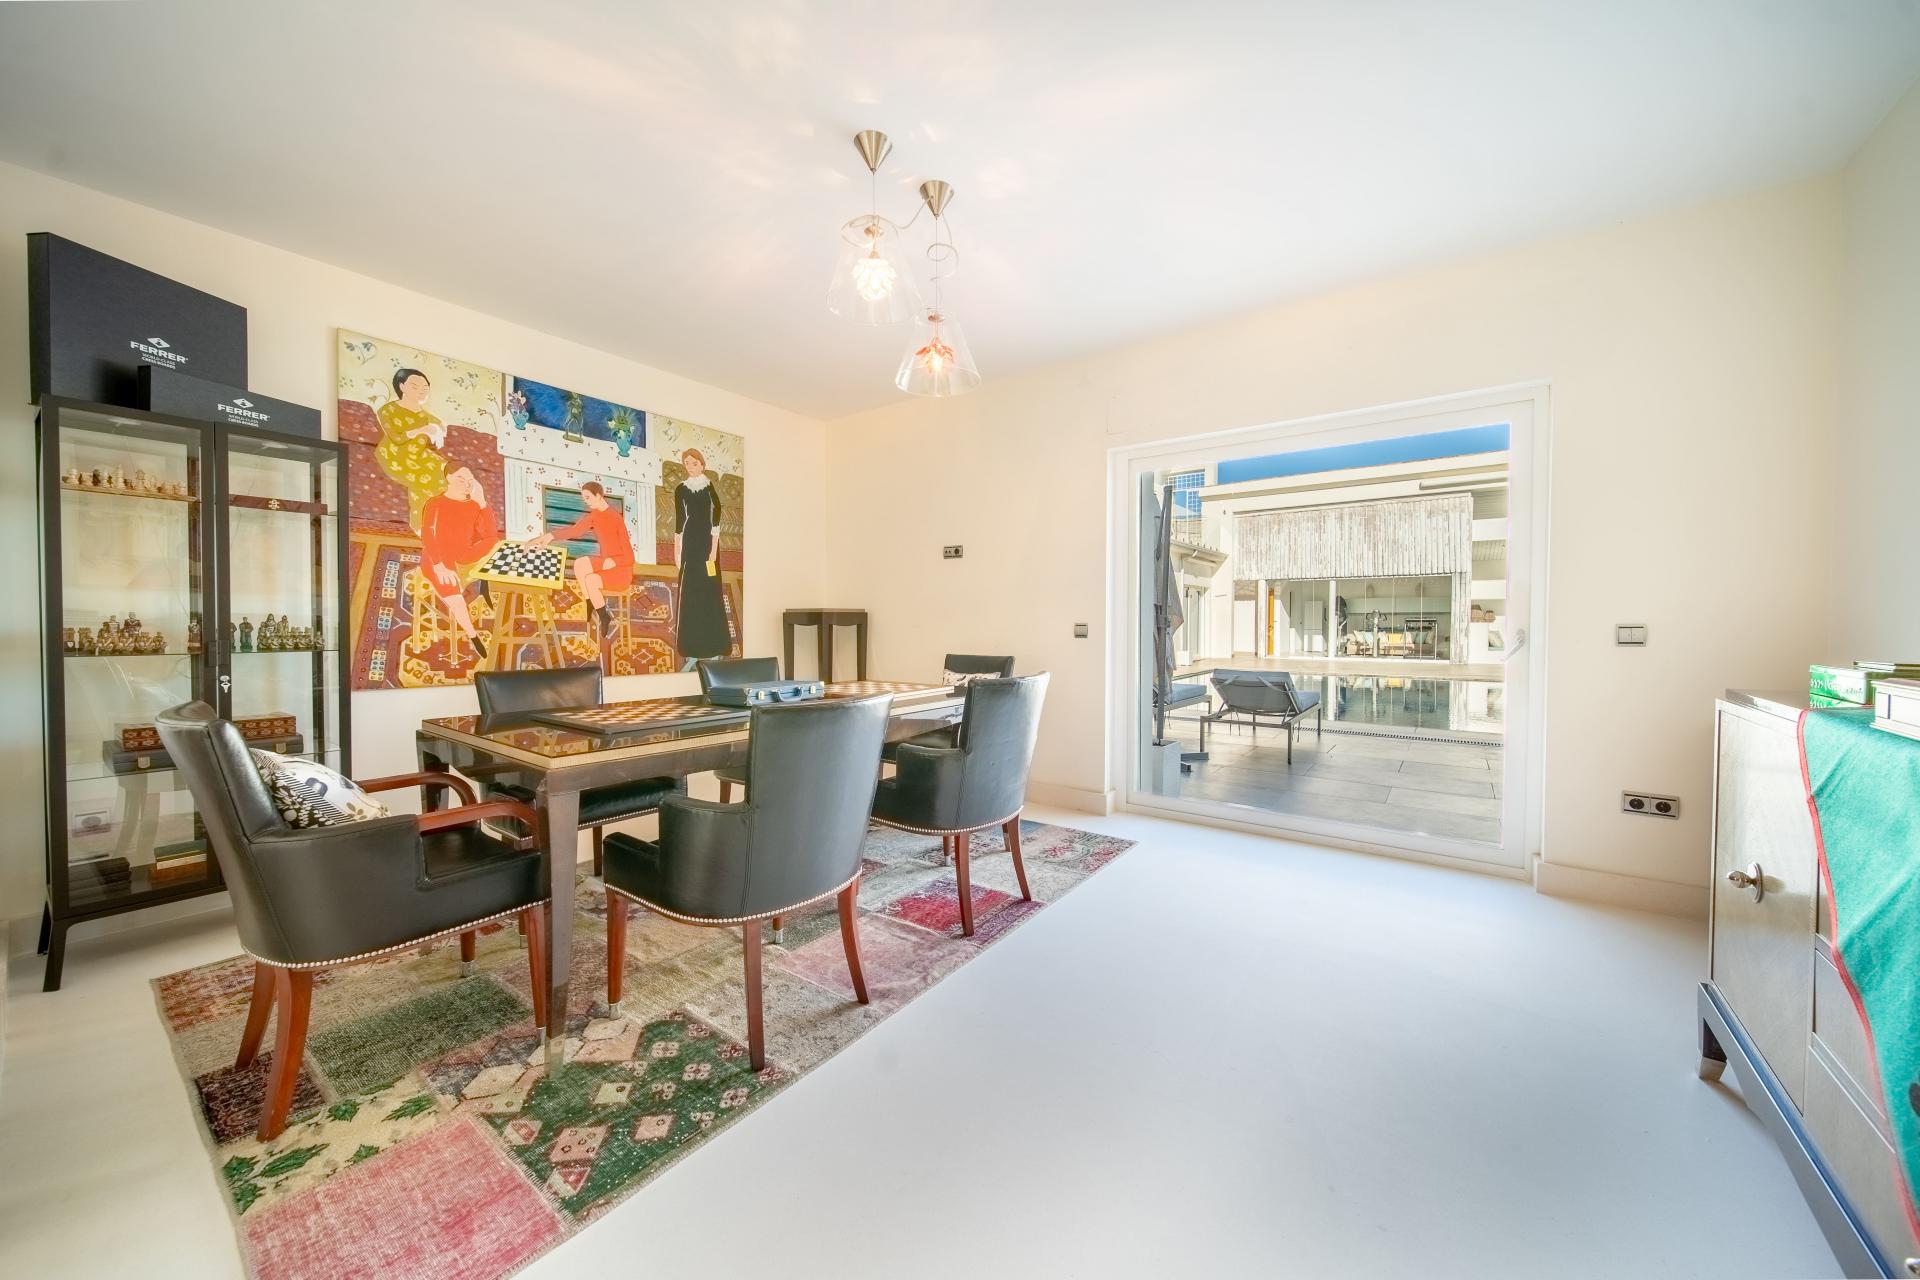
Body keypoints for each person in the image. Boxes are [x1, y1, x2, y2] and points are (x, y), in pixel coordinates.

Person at [530, 480, 633, 636]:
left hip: (621, 570)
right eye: (584, 498)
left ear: (599, 496)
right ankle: (590, 601)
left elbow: (630, 557)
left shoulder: (616, 519)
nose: (585, 501)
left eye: (588, 497)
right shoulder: (595, 516)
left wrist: (614, 561)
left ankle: (604, 616)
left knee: (590, 579)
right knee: (580, 564)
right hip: (606, 563)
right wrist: (549, 536)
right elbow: (574, 531)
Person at [418, 466, 499, 660]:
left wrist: (482, 504)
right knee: (455, 596)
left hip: (463, 554)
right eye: (461, 478)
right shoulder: (435, 503)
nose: (467, 483)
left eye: (470, 480)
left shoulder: (473, 505)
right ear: (449, 477)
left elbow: (490, 535)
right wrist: (438, 565)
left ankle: (482, 582)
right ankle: (473, 636)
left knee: (497, 545)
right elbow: (427, 534)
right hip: (437, 557)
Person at [672, 448, 730, 664]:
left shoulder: (708, 486)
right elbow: (680, 519)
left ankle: (715, 643)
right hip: (690, 541)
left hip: (708, 540)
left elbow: (717, 514)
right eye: (687, 463)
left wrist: (713, 549)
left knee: (710, 588)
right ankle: (691, 645)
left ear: (702, 465)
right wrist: (677, 550)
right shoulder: (681, 488)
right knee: (690, 589)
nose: (690, 467)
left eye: (694, 463)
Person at [375, 367, 448, 530]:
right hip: (394, 455)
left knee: (450, 474)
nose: (421, 391)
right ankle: (421, 527)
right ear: (402, 387)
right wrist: (422, 430)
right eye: (415, 386)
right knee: (424, 480)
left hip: (421, 455)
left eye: (425, 388)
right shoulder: (388, 410)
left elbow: (437, 440)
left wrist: (438, 430)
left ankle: (445, 526)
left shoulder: (429, 418)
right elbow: (397, 437)